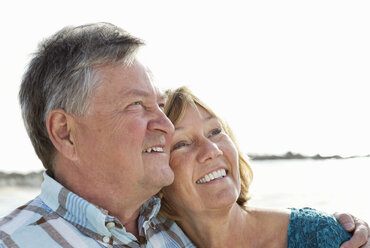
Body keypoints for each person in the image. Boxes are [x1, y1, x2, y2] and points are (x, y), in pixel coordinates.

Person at [0, 22, 368, 248]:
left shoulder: (169, 228)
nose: (162, 122)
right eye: (137, 106)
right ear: (65, 133)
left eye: (158, 106)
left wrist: (329, 230)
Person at [160, 86, 370, 248]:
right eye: (182, 143)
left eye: (215, 131)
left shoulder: (319, 236)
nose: (212, 150)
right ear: (156, 177)